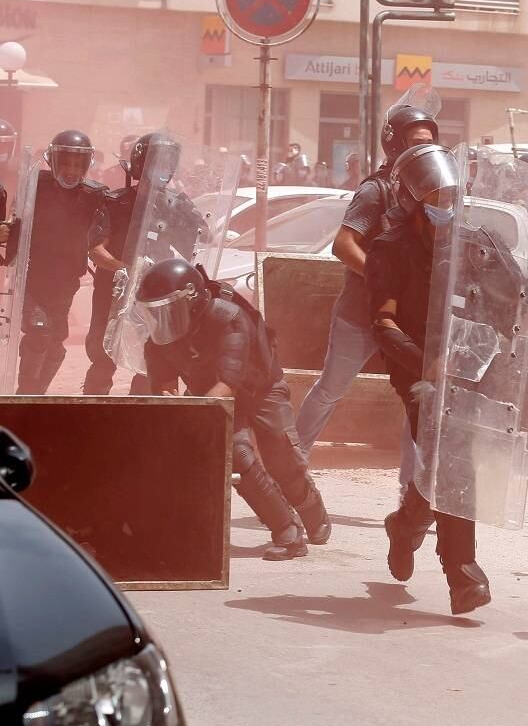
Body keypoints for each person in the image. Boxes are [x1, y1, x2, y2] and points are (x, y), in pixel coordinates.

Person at [370, 144, 516, 615]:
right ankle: (462, 573)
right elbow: (384, 323)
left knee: (446, 462)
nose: (444, 201)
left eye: (449, 192)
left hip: (472, 364)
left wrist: (498, 334)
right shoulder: (391, 249)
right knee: (454, 459)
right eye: (433, 194)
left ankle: (406, 524)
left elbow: (511, 295)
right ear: (411, 199)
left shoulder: (475, 241)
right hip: (419, 374)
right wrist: (425, 364)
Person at [136, 258, 330, 559]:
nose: (161, 319)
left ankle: (312, 511)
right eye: (155, 311)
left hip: (262, 389)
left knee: (281, 457)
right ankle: (288, 531)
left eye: (167, 309)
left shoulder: (229, 318)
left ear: (193, 299)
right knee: (235, 453)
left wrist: (198, 413)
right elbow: (164, 387)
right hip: (210, 396)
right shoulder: (159, 340)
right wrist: (173, 405)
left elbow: (229, 382)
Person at [294, 105, 438, 496]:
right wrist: (382, 280)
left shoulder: (431, 194)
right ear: (395, 143)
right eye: (416, 142)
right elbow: (343, 245)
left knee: (417, 400)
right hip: (361, 312)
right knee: (331, 389)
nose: (423, 150)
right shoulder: (377, 190)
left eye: (429, 142)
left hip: (407, 318)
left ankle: (411, 492)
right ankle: (289, 466)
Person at [83, 133, 208, 395]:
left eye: (168, 162)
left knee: (153, 361)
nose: (163, 169)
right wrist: (125, 270)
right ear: (141, 163)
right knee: (102, 355)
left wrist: (197, 224)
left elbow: (197, 245)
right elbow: (95, 250)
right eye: (157, 162)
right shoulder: (116, 202)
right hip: (115, 289)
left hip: (155, 294)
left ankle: (140, 413)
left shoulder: (176, 206)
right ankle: (92, 410)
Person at [3, 131, 114, 395]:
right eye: (65, 163)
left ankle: (37, 396)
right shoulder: (33, 186)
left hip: (65, 283)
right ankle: (26, 394)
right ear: (52, 161)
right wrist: (5, 231)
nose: (71, 171)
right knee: (39, 331)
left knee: (54, 343)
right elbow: (13, 223)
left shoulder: (94, 197)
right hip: (31, 277)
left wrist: (123, 266)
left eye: (77, 164)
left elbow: (99, 243)